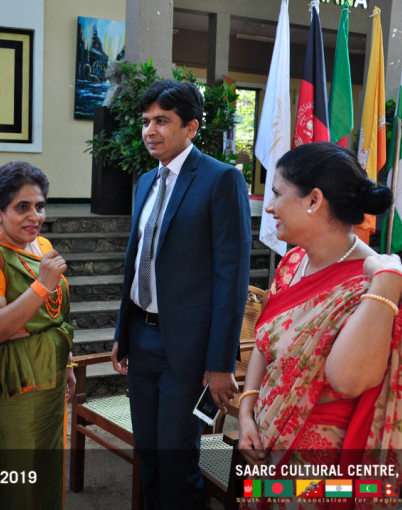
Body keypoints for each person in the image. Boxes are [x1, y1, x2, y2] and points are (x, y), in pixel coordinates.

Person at [237, 142, 402, 483]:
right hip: (264, 438)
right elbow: (264, 344)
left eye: (277, 194)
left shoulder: (371, 285)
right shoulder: (294, 262)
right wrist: (247, 411)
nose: (270, 206)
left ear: (314, 200)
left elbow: (347, 381)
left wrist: (386, 284)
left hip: (318, 465)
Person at [111, 80, 252, 509]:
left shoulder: (220, 179)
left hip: (188, 349)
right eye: (145, 121)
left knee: (177, 460)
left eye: (162, 121)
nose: (149, 131)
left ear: (191, 127)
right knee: (149, 452)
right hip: (142, 338)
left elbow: (231, 277)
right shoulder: (145, 182)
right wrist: (123, 333)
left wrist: (220, 362)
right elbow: (137, 262)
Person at [0, 161, 74, 510]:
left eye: (39, 206)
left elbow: (53, 316)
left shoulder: (42, 244)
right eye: (22, 207)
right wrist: (42, 285)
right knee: (12, 478)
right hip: (13, 389)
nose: (34, 216)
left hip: (50, 382)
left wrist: (66, 362)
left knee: (45, 471)